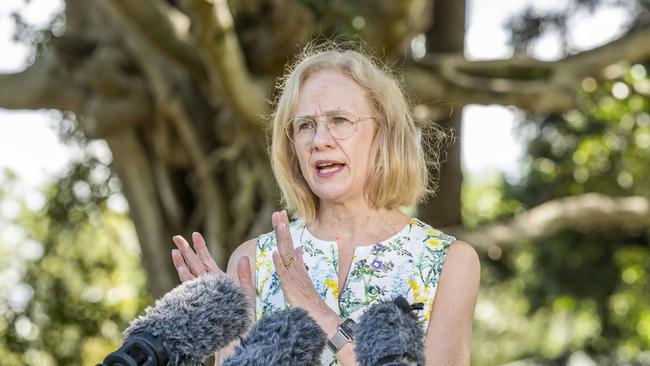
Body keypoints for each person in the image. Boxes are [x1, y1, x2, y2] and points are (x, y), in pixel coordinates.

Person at [170, 44, 480, 366]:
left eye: (340, 120)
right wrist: (234, 341)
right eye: (305, 125)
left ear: (383, 133)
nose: (320, 140)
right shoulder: (252, 263)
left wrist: (317, 312)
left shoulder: (449, 264)